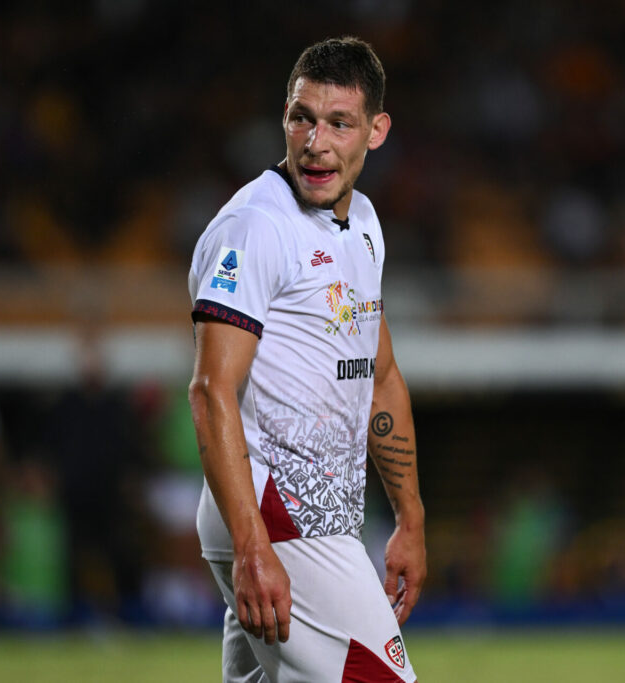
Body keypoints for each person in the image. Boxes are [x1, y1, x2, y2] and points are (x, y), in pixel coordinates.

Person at [188, 37, 425, 682]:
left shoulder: (364, 224)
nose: (315, 142)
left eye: (339, 123)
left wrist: (409, 518)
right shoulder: (255, 227)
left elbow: (379, 378)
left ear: (376, 131)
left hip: (313, 518)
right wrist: (252, 544)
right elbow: (210, 391)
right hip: (277, 512)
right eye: (302, 118)